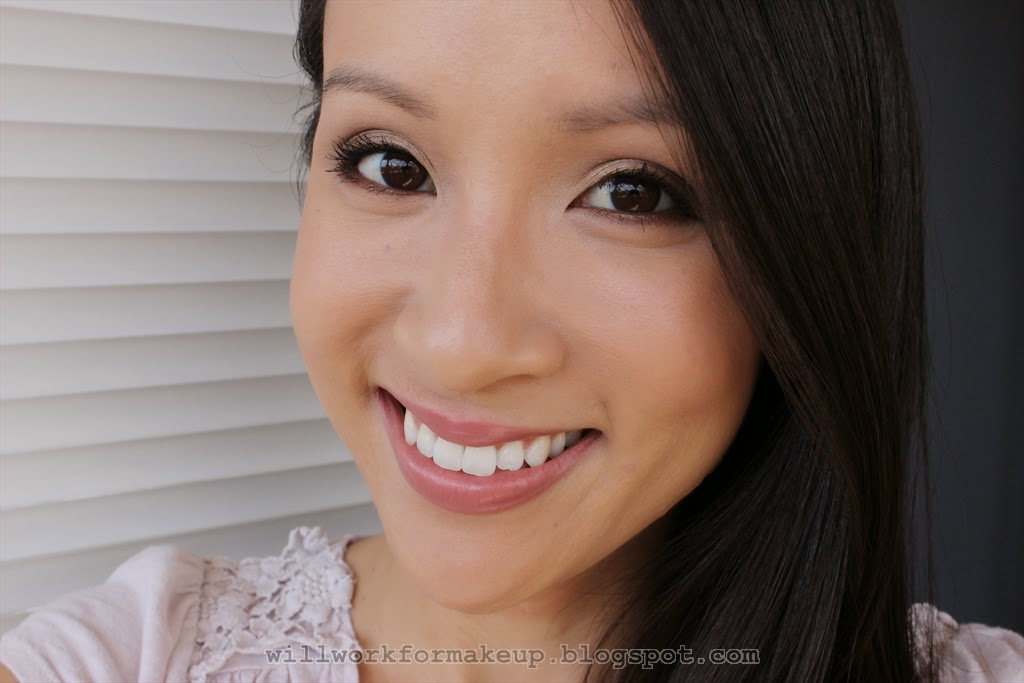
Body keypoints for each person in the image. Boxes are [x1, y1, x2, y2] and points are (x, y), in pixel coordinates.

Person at [2, 1, 1022, 681]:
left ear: (807, 250)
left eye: (633, 192)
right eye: (391, 165)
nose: (463, 342)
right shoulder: (128, 654)